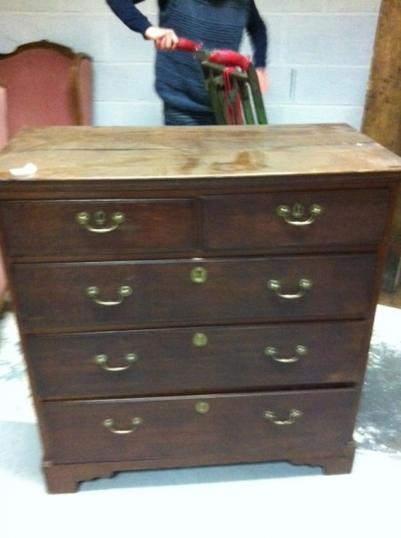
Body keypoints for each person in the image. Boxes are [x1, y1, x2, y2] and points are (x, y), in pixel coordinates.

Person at [106, 0, 269, 125]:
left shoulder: (243, 2)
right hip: (182, 110)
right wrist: (147, 29)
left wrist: (260, 66)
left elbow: (258, 29)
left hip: (227, 106)